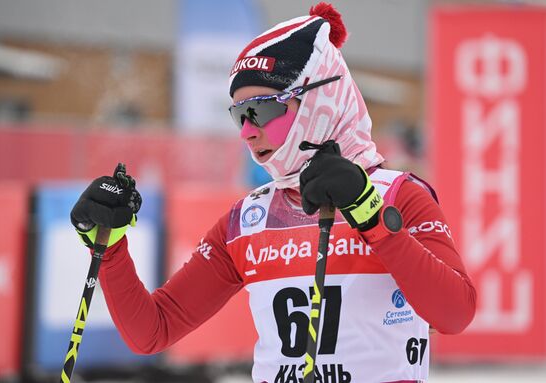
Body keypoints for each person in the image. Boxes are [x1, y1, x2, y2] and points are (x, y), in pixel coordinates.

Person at [70, 3, 476, 382]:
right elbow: (152, 331)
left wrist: (369, 214)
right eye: (238, 116)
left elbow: (455, 313)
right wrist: (109, 246)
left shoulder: (398, 195)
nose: (248, 132)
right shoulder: (248, 219)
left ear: (318, 99)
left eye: (260, 110)